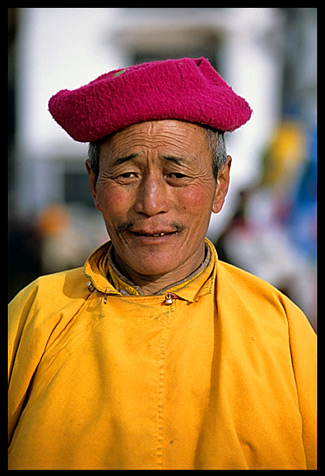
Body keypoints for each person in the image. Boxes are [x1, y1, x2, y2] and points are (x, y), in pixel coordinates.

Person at [8, 57, 316, 470]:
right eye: (127, 175)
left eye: (177, 175)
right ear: (93, 185)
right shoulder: (35, 315)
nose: (151, 203)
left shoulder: (280, 328)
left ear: (220, 184)